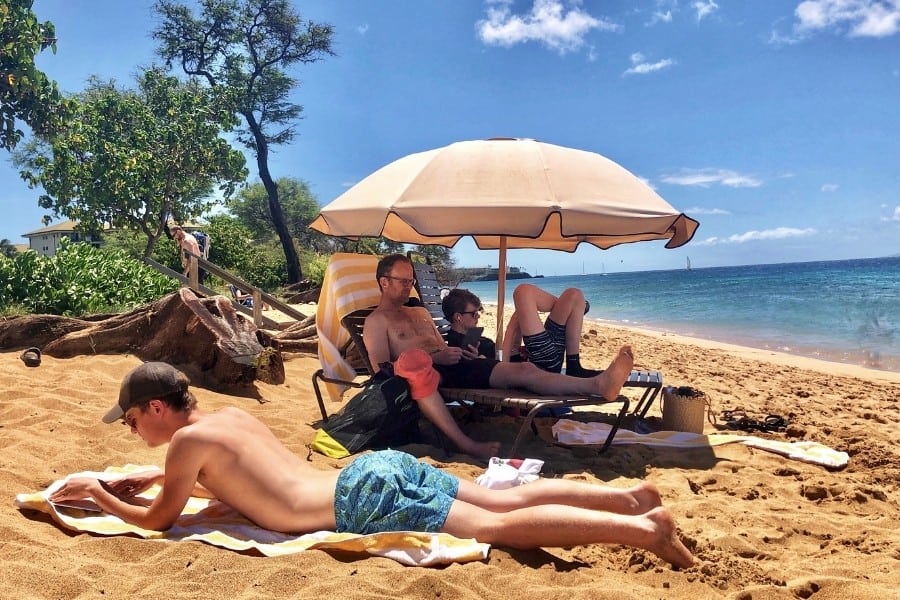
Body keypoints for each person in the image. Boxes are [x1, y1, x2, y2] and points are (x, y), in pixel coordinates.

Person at [48, 362, 695, 568]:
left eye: (131, 420)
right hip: (373, 469)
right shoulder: (226, 420)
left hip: (358, 501)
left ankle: (642, 531)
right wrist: (149, 476)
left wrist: (99, 491)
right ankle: (631, 499)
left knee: (497, 527)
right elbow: (231, 477)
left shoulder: (186, 448)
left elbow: (160, 521)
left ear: (157, 408)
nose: (133, 431)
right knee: (499, 500)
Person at [364, 255, 634, 403]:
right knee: (524, 372)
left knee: (524, 368)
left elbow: (443, 348)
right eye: (403, 281)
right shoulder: (376, 322)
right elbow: (383, 373)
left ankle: (594, 381)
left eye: (411, 281)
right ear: (384, 282)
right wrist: (437, 359)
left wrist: (459, 353)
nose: (409, 286)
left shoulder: (420, 312)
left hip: (455, 365)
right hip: (433, 375)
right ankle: (597, 385)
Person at [502, 283, 600, 377]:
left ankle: (573, 365)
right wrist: (511, 327)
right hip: (541, 365)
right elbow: (503, 366)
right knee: (523, 292)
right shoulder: (509, 364)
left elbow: (514, 338)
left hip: (543, 350)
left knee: (574, 294)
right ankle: (576, 309)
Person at [441, 288, 496, 360]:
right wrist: (480, 361)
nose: (478, 316)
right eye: (474, 314)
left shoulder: (471, 339)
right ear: (458, 317)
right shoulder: (461, 348)